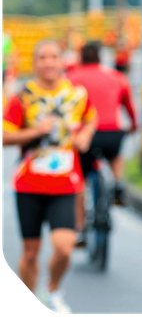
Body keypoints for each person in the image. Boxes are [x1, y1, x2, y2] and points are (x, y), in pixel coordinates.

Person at [1, 40, 97, 314]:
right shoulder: (23, 96)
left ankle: (52, 289)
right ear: (35, 63)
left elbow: (91, 117)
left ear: (61, 61)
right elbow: (4, 135)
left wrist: (87, 135)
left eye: (53, 56)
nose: (48, 62)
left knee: (65, 248)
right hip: (29, 184)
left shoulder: (77, 94)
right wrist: (36, 131)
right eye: (42, 57)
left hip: (65, 184)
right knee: (30, 254)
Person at [66, 42, 138, 211]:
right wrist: (133, 126)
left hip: (84, 135)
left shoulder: (70, 78)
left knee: (80, 180)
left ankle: (80, 227)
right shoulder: (117, 76)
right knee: (115, 155)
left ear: (81, 57)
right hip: (112, 133)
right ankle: (118, 181)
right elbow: (129, 107)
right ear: (100, 57)